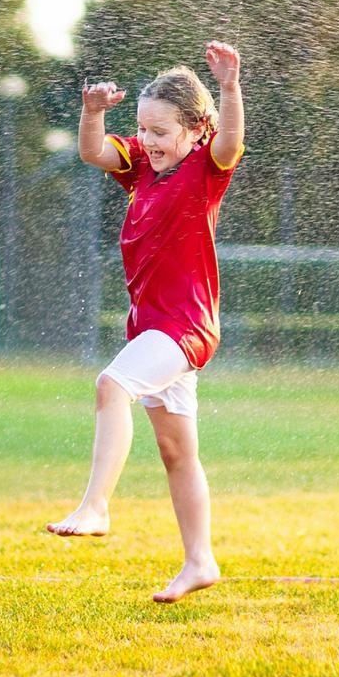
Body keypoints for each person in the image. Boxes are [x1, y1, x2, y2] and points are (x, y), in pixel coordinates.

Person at [47, 41, 245, 603]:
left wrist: (229, 86)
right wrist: (92, 112)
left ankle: (95, 506)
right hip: (151, 327)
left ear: (196, 129)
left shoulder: (206, 169)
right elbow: (93, 151)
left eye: (161, 132)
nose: (148, 141)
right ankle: (200, 561)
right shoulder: (141, 166)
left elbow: (230, 141)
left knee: (112, 385)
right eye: (142, 129)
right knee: (177, 453)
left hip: (183, 326)